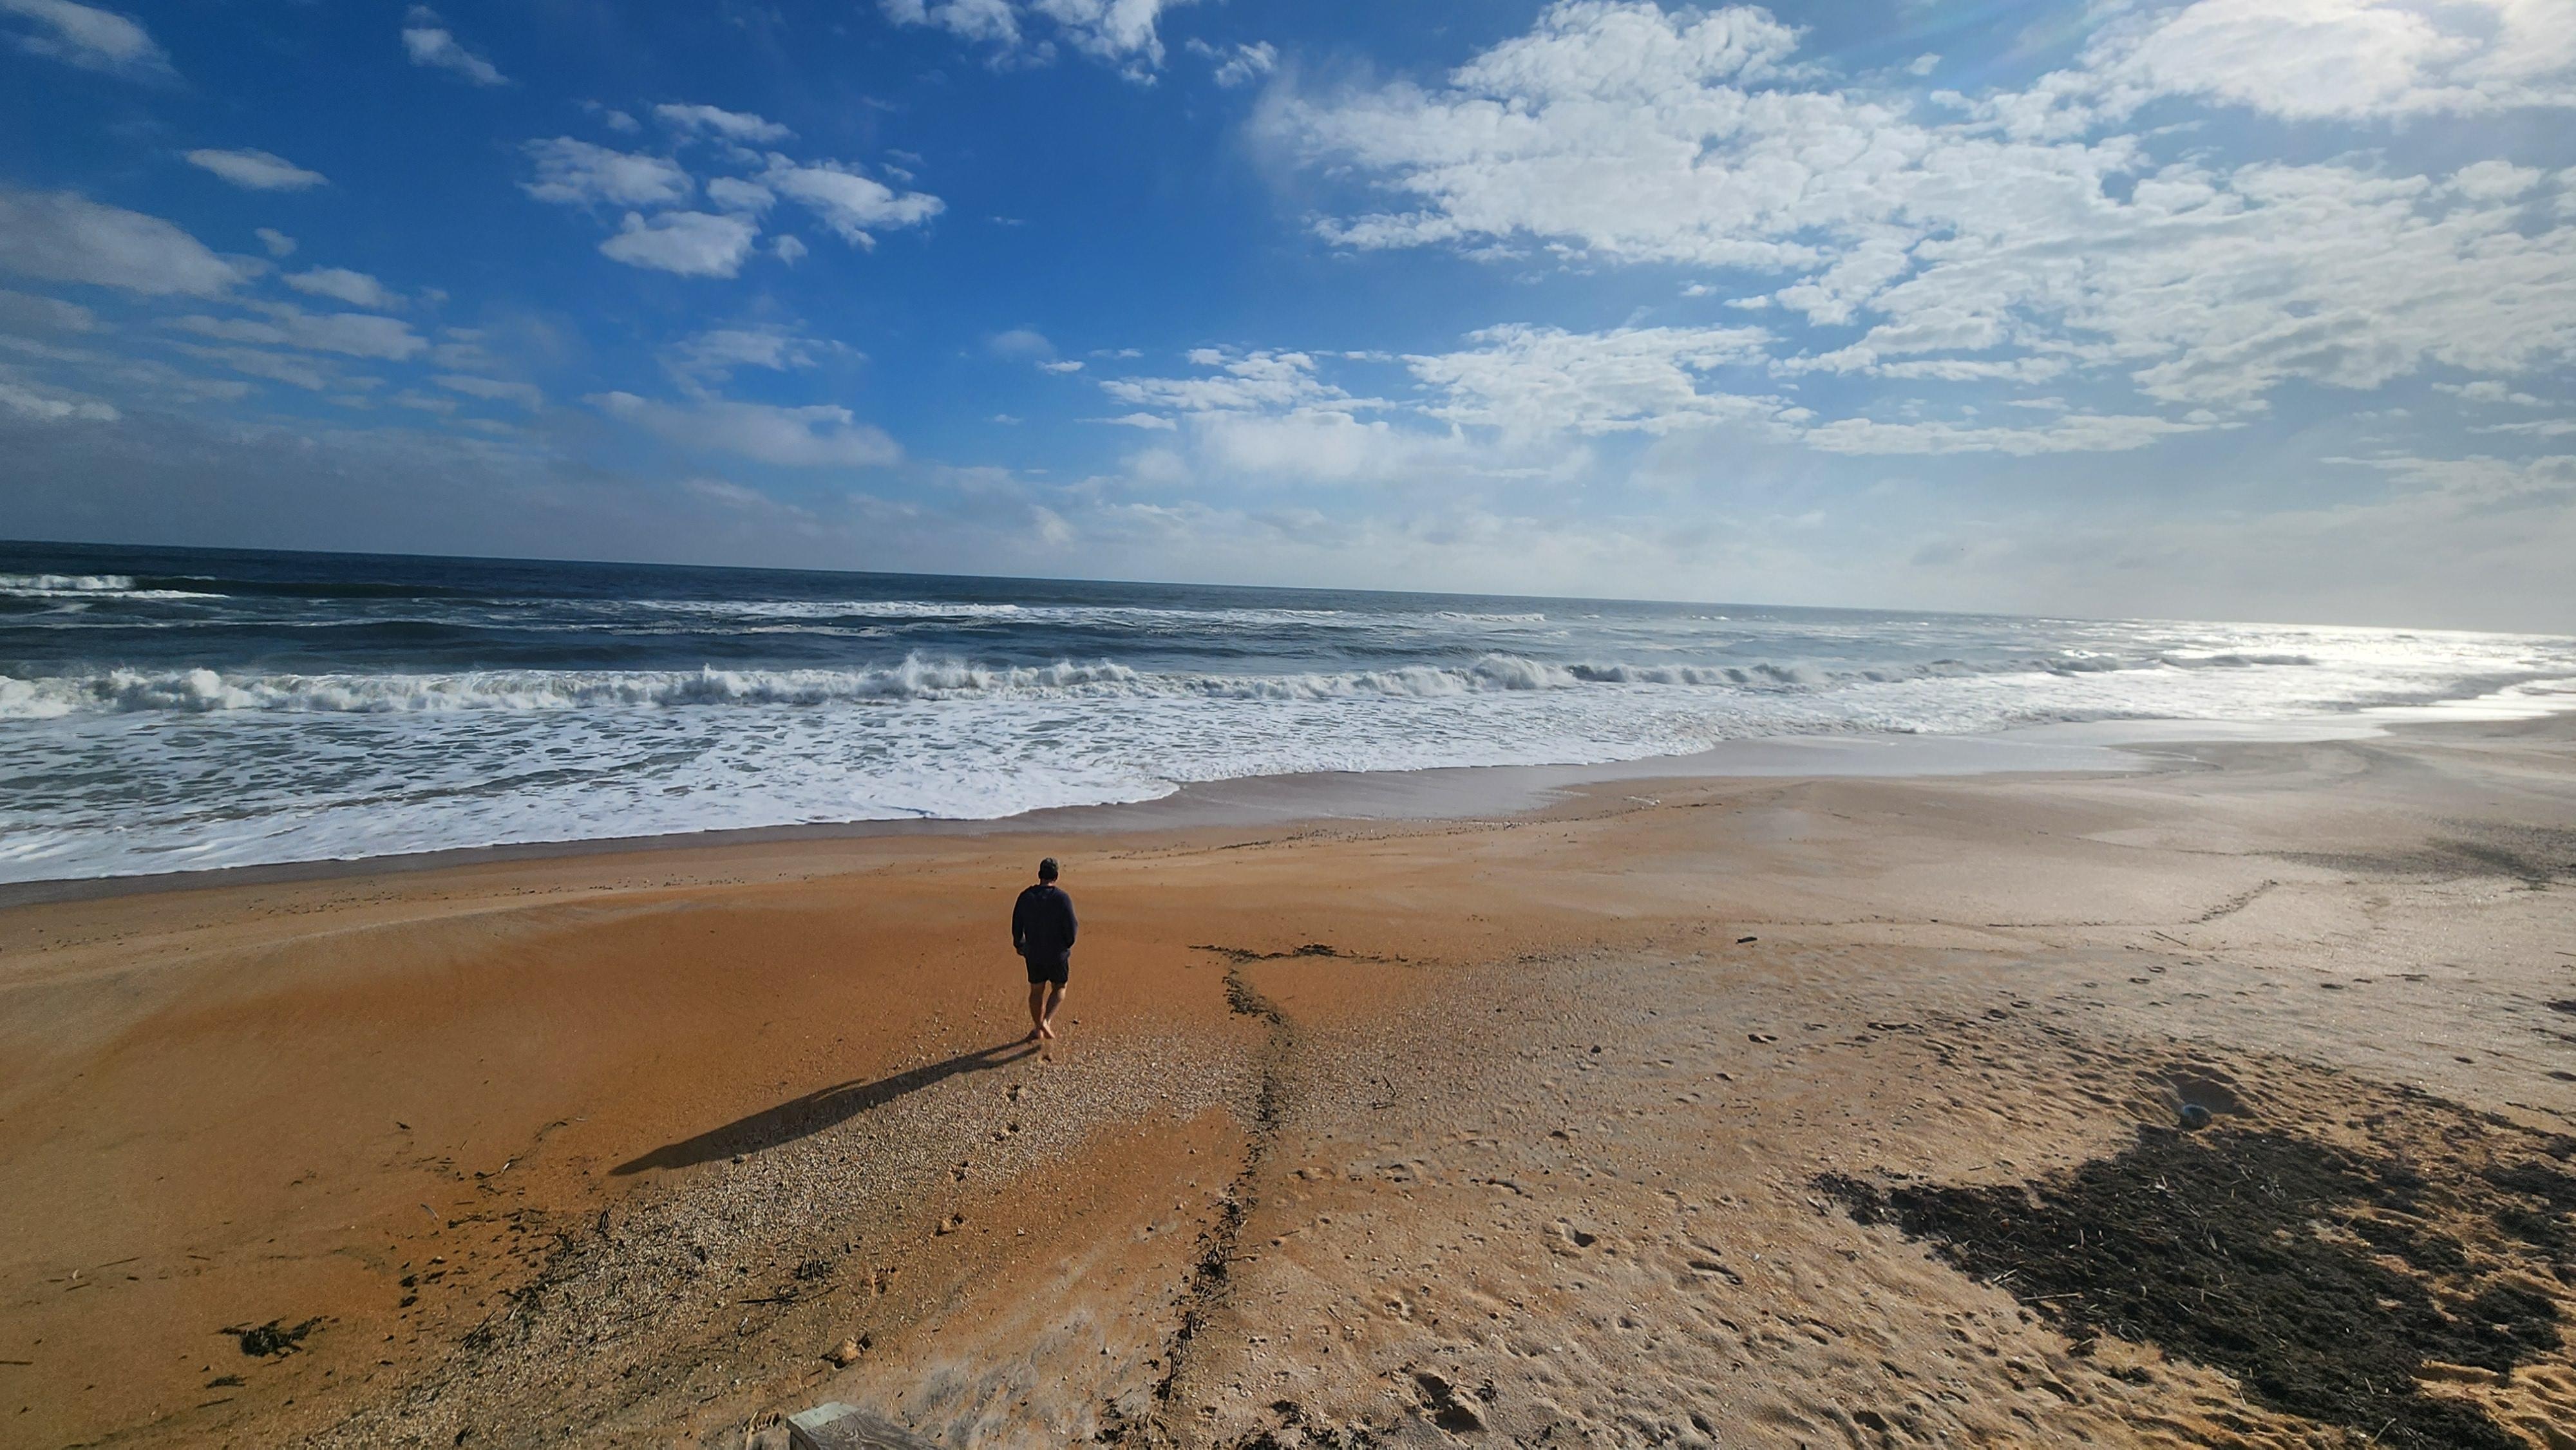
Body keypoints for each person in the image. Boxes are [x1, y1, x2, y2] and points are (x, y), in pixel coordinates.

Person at [1012, 857, 1077, 1043]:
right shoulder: (1062, 898)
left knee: (1036, 990)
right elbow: (1071, 928)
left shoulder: (1026, 896)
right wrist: (1067, 945)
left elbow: (1017, 925)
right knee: (1060, 988)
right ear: (1056, 876)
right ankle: (1046, 1021)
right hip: (1057, 954)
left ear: (1040, 875)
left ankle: (1037, 1027)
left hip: (1034, 954)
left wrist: (1019, 944)